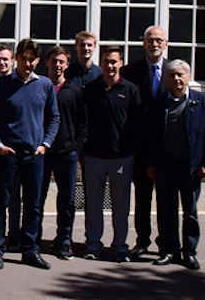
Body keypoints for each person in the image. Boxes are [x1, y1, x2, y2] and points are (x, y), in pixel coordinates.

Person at [0, 39, 59, 271]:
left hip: (34, 154)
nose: (27, 64)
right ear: (16, 57)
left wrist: (45, 144)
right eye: (24, 59)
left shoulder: (45, 85)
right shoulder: (0, 85)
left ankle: (30, 250)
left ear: (38, 61)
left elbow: (53, 117)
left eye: (32, 60)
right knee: (1, 203)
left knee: (33, 205)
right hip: (8, 153)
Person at [82, 46, 142, 262]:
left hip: (122, 158)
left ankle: (120, 246)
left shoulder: (130, 90)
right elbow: (84, 121)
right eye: (106, 61)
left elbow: (137, 124)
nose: (110, 66)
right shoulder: (91, 89)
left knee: (121, 206)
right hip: (94, 157)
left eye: (114, 62)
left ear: (121, 63)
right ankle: (93, 244)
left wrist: (131, 151)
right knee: (94, 205)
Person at [148, 60, 203, 270]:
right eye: (172, 76)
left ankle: (189, 252)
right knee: (166, 210)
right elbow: (151, 137)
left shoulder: (200, 101)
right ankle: (169, 250)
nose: (177, 79)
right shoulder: (160, 103)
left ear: (188, 77)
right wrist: (152, 163)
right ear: (167, 80)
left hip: (191, 168)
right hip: (165, 167)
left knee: (190, 212)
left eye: (181, 75)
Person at [121, 26, 168, 259]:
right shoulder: (130, 71)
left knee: (166, 200)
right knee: (142, 199)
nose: (154, 44)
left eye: (159, 40)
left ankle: (165, 244)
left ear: (166, 44)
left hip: (167, 148)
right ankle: (142, 241)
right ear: (143, 43)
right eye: (150, 40)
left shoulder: (175, 71)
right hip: (140, 148)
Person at [39, 46, 86, 261]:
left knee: (66, 199)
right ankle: (33, 237)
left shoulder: (74, 90)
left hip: (66, 152)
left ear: (66, 65)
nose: (57, 65)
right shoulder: (39, 87)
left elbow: (83, 123)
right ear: (47, 63)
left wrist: (76, 146)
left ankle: (64, 240)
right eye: (54, 61)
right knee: (37, 197)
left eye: (61, 62)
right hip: (42, 151)